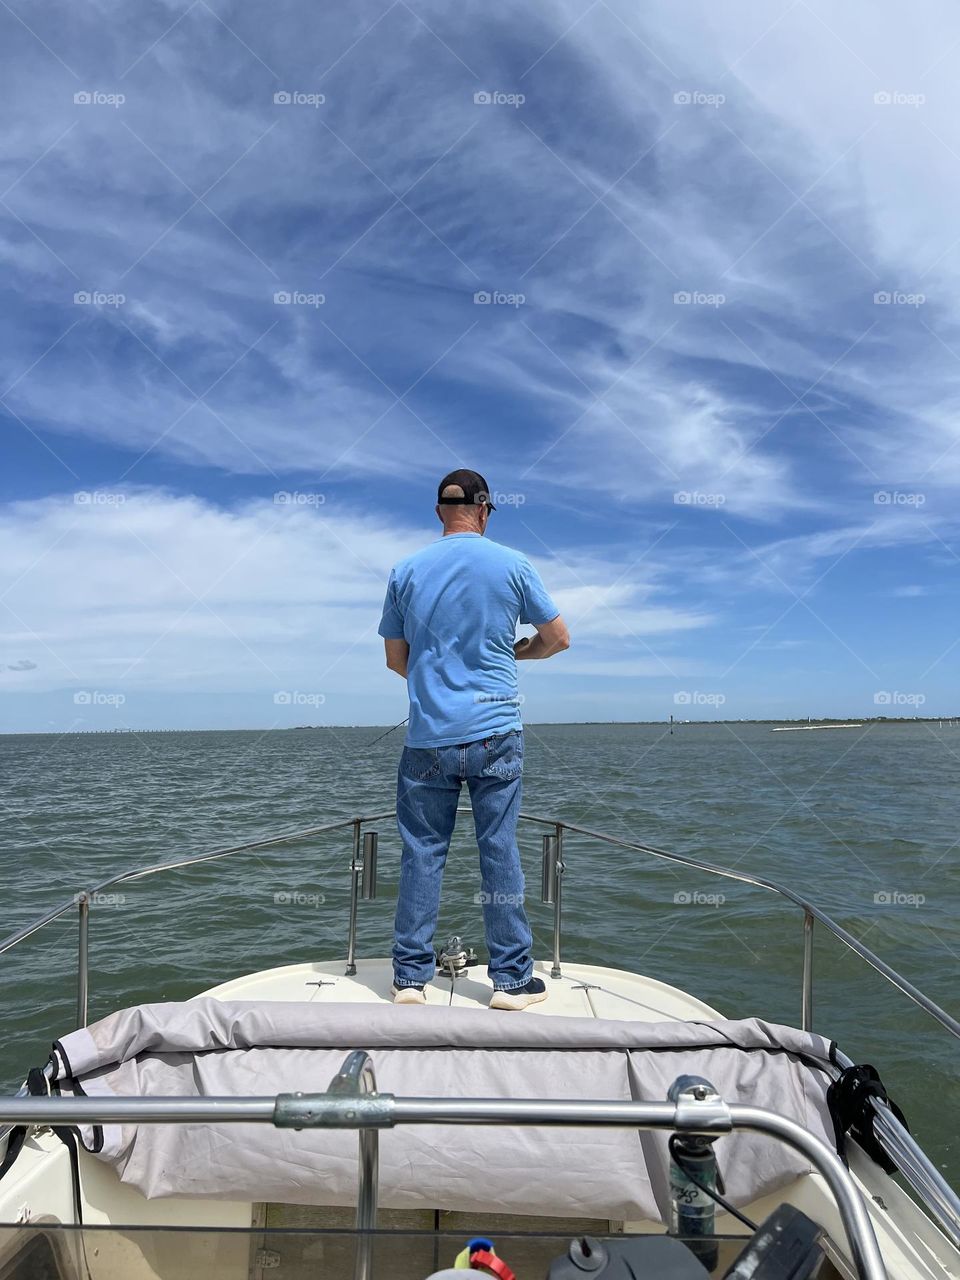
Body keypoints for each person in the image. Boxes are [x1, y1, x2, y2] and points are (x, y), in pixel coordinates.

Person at [378, 469, 570, 1010]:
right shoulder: (512, 563)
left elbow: (396, 660)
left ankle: (410, 980)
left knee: (421, 854)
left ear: (440, 510)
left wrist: (435, 682)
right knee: (499, 851)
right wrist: (518, 653)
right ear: (484, 510)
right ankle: (510, 981)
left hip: (428, 739)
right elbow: (558, 639)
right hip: (495, 735)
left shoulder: (406, 570)